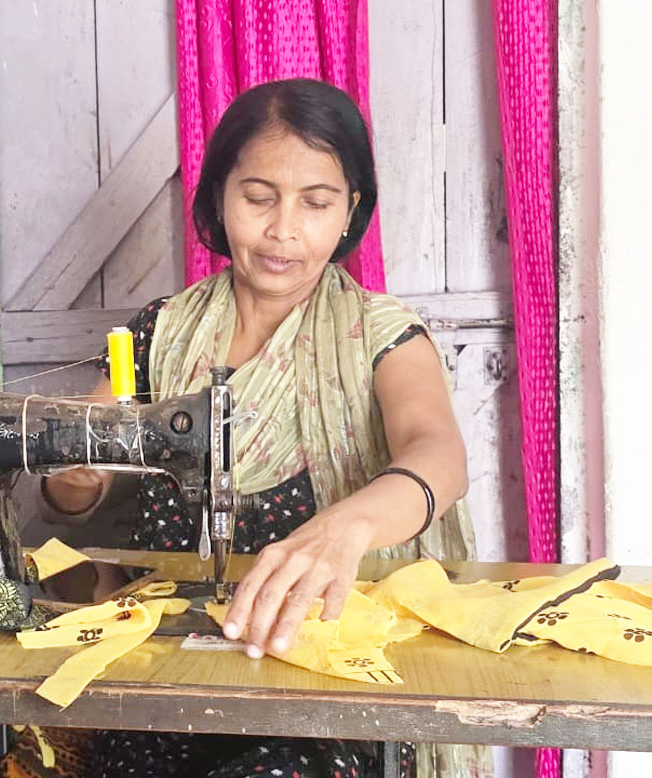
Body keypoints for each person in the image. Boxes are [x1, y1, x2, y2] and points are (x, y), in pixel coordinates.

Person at [40, 78, 479, 778]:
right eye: (257, 197)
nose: (283, 230)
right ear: (219, 197)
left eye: (315, 202)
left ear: (350, 210)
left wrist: (349, 526)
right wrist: (73, 480)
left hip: (323, 682)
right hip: (162, 674)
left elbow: (439, 455)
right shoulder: (160, 334)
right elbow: (74, 483)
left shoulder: (379, 335)